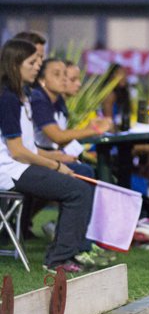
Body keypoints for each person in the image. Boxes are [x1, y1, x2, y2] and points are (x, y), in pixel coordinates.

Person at [0, 39, 103, 273]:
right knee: (77, 190)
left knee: (80, 183)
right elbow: (17, 151)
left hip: (19, 166)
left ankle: (75, 250)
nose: (37, 66)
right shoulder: (7, 98)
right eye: (32, 62)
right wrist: (55, 166)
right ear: (15, 64)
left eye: (38, 61)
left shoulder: (22, 97)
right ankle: (58, 260)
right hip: (8, 171)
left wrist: (58, 159)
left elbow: (29, 148)